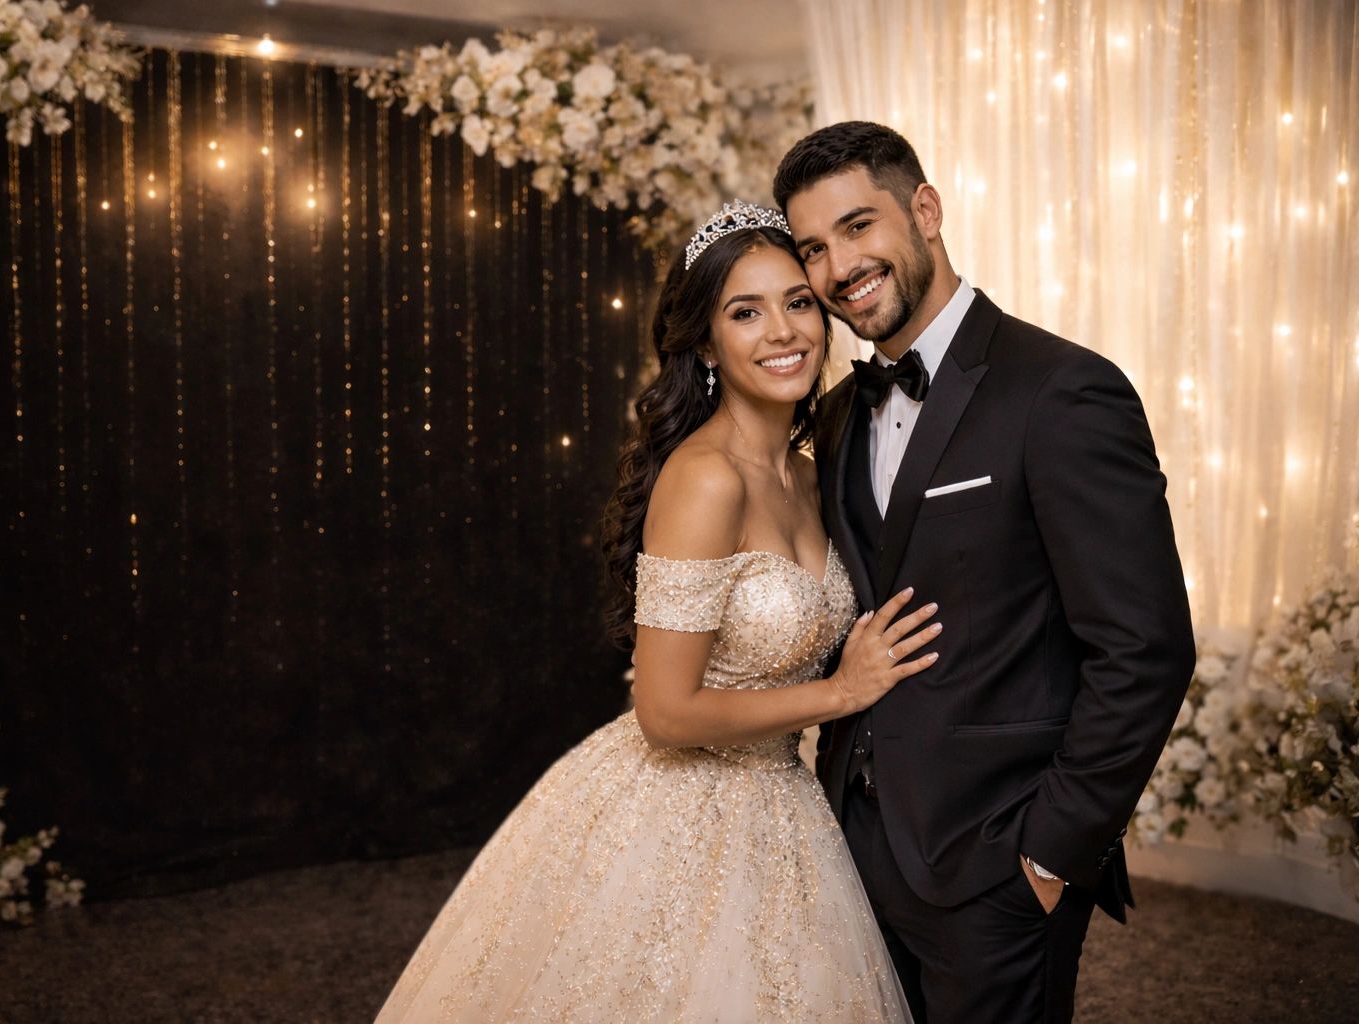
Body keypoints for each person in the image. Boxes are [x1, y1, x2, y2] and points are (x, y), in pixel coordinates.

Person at [374, 201, 940, 1022]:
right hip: (676, 813)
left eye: (798, 302)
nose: (783, 332)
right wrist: (841, 694)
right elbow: (665, 713)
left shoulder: (813, 474)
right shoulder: (704, 477)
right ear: (707, 343)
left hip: (782, 805)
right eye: (745, 312)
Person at [773, 121, 1196, 1024]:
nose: (840, 265)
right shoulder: (841, 414)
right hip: (857, 844)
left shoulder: (1062, 391)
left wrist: (1049, 856)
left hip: (998, 866)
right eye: (814, 247)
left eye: (858, 227)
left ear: (924, 211)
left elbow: (1145, 648)